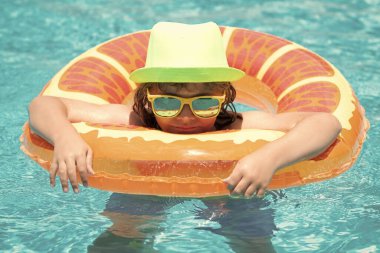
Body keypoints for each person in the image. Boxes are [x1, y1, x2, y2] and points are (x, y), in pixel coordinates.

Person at [28, 21, 342, 199]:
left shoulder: (236, 125)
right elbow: (44, 105)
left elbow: (324, 121)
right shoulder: (134, 120)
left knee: (251, 239)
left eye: (205, 103)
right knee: (122, 233)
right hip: (143, 189)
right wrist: (65, 137)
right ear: (147, 98)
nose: (186, 116)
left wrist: (269, 157)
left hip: (229, 192)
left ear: (225, 97)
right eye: (167, 103)